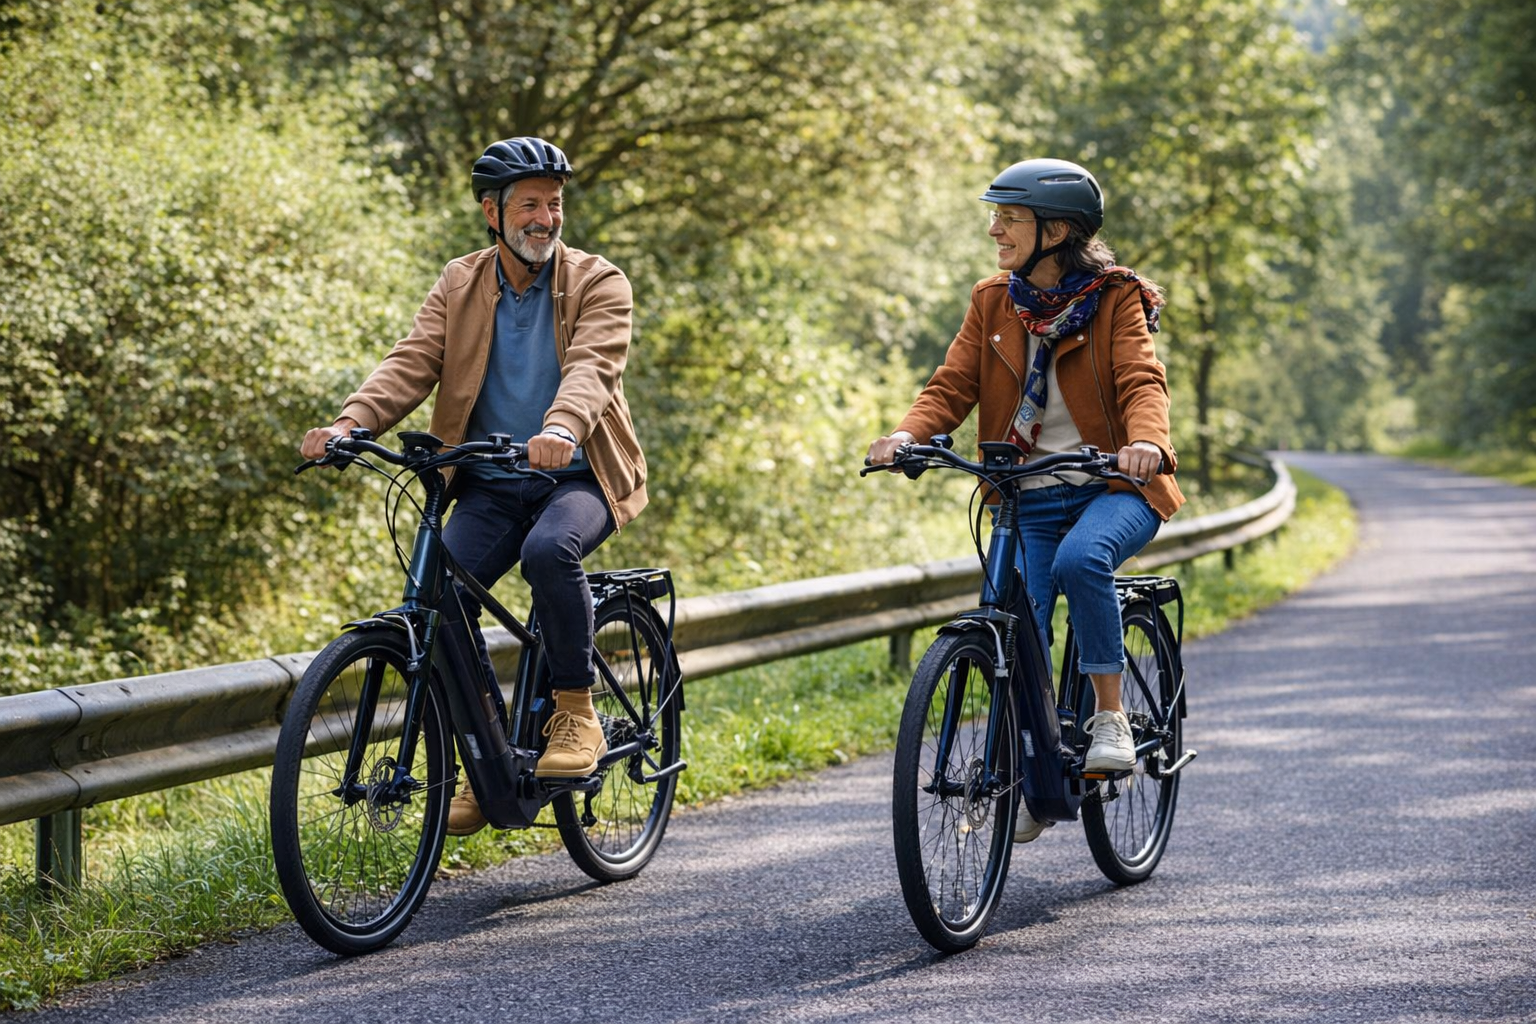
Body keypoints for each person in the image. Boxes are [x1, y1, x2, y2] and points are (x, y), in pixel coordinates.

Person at [300, 137, 647, 836]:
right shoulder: (460, 283)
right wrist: (350, 422)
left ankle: (574, 714)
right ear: (492, 213)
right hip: (489, 483)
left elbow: (592, 368)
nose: (546, 218)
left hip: (577, 475)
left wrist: (561, 428)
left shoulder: (597, 281)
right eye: (529, 205)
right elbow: (412, 360)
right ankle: (486, 760)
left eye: (554, 204)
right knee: (442, 597)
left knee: (552, 552)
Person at [867, 157, 1184, 844]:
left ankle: (1110, 720)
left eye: (1008, 219)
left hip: (1115, 485)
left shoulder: (1116, 298)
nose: (994, 231)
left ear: (1057, 230)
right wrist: (905, 434)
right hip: (1025, 496)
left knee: (1081, 563)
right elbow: (951, 384)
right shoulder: (994, 302)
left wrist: (1146, 443)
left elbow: (1140, 380)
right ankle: (1035, 770)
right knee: (1015, 621)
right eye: (996, 217)